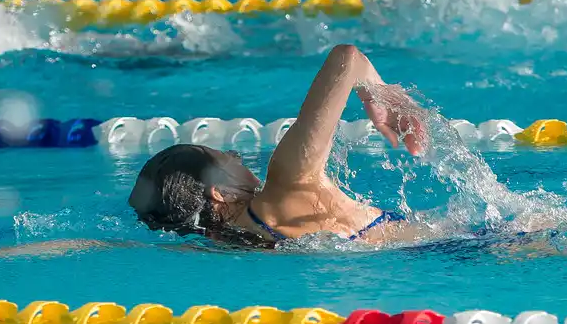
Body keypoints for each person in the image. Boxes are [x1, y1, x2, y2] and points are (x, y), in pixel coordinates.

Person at [127, 44, 429, 246]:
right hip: (458, 248)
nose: (238, 158)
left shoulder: (231, 243)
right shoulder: (289, 182)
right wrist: (380, 97)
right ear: (217, 191)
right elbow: (346, 58)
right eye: (229, 159)